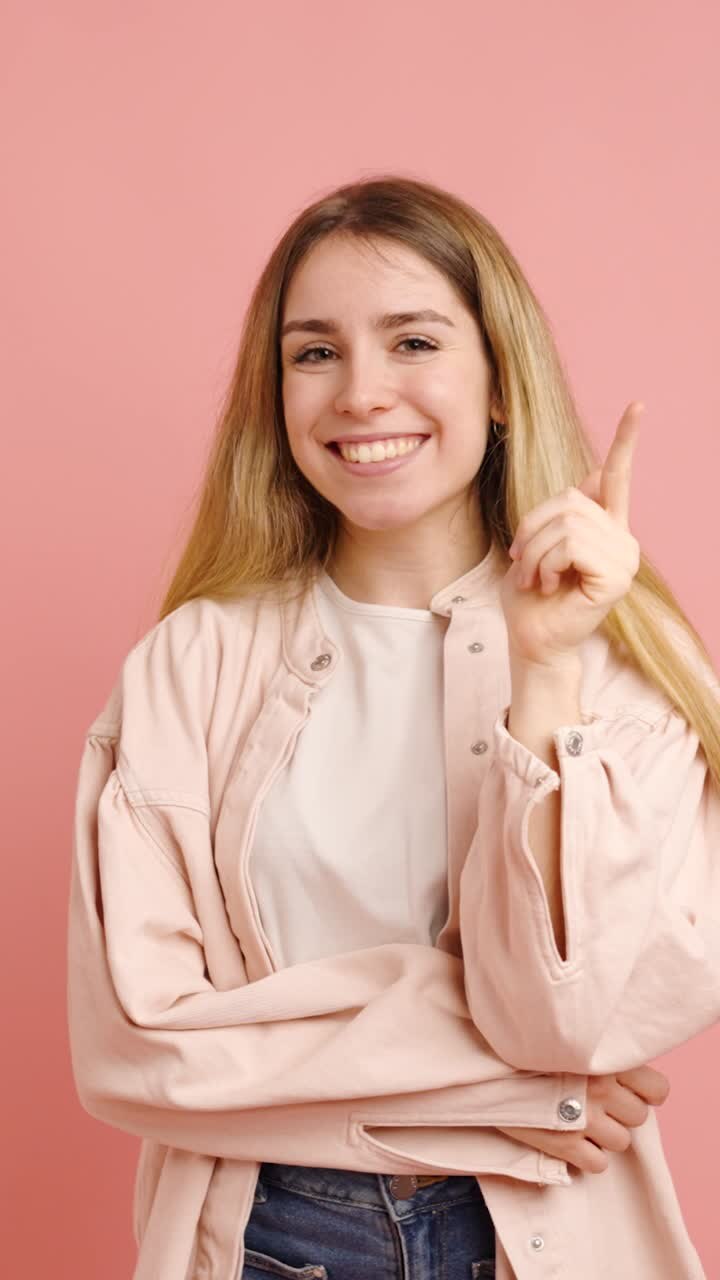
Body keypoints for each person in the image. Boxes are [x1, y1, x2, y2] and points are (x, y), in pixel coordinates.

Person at [67, 174, 720, 1280]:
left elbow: (577, 1020)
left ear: (500, 380)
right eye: (314, 352)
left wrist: (546, 668)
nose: (362, 392)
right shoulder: (192, 661)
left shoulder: (626, 657)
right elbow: (133, 1051)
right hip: (268, 1237)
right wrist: (513, 1087)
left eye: (413, 341)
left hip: (549, 1231)